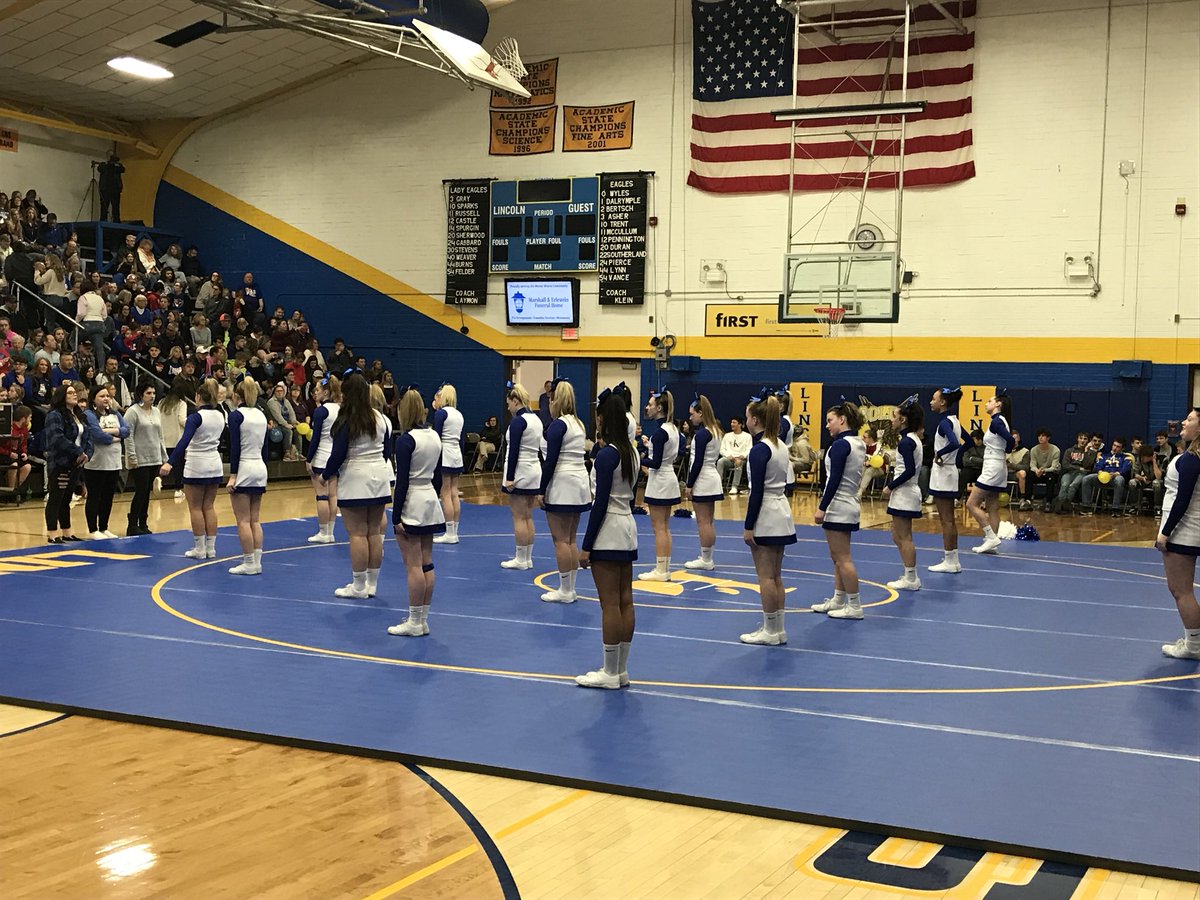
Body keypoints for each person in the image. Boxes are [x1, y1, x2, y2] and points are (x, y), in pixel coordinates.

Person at [576, 387, 638, 689]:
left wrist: (586, 546)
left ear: (603, 419)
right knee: (626, 600)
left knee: (609, 604)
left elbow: (599, 504)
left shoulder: (606, 456)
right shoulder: (633, 452)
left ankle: (610, 672)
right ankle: (621, 669)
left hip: (609, 531)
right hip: (627, 527)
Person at [319, 373, 393, 599]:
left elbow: (338, 453)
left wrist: (326, 474)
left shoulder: (347, 419)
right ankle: (372, 583)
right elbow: (387, 450)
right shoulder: (381, 418)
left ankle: (358, 585)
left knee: (357, 534)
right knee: (373, 533)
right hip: (379, 477)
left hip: (355, 477)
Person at [386, 386, 446, 636]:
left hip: (413, 500)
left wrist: (395, 514)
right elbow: (439, 477)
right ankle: (423, 618)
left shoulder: (406, 440)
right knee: (426, 563)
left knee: (413, 565)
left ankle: (413, 621)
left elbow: (402, 482)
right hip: (430, 499)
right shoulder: (434, 436)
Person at [739, 391, 797, 645]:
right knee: (776, 576)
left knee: (765, 577)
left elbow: (757, 491)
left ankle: (770, 630)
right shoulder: (781, 445)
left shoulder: (760, 449)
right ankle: (778, 628)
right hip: (781, 510)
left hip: (767, 513)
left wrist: (749, 525)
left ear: (754, 421)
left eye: (747, 418)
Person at [811, 399, 867, 619]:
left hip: (839, 504)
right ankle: (838, 598)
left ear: (842, 420)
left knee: (843, 558)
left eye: (829, 421)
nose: (826, 425)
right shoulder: (857, 442)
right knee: (838, 557)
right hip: (848, 502)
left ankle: (854, 605)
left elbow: (834, 479)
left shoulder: (841, 445)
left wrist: (822, 507)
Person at [537, 378, 591, 603]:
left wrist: (541, 489)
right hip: (578, 482)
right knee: (570, 539)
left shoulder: (559, 424)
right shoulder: (579, 424)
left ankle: (565, 589)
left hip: (562, 483)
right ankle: (570, 588)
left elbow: (551, 461)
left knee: (560, 540)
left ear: (555, 400)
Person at [160, 379, 226, 559]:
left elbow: (184, 441)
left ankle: (199, 548)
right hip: (214, 463)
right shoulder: (221, 415)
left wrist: (170, 462)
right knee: (209, 507)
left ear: (197, 397)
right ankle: (211, 548)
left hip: (197, 463)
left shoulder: (195, 417)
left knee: (195, 508)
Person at [1156, 407, 1200, 660]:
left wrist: (1166, 532)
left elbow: (1182, 500)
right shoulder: (1190, 456)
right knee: (1183, 590)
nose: (1184, 422)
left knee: (1181, 590)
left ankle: (1193, 646)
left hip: (1183, 531)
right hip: (1189, 527)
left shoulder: (1192, 459)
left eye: (1190, 419)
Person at [881, 395, 924, 591]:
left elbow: (909, 471)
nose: (891, 420)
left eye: (894, 416)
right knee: (896, 536)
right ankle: (909, 572)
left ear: (903, 419)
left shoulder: (907, 442)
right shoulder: (911, 439)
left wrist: (890, 486)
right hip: (904, 493)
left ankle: (911, 577)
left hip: (905, 492)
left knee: (904, 537)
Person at [226, 379, 269, 575]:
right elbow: (266, 447)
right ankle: (257, 561)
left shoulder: (236, 416)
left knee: (243, 520)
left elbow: (235, 447)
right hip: (259, 465)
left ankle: (249, 562)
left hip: (244, 465)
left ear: (237, 396)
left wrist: (233, 475)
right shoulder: (261, 414)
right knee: (255, 519)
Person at [41, 383, 93, 542]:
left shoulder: (79, 415)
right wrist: (77, 451)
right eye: (70, 393)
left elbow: (88, 436)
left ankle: (67, 531)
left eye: (74, 392)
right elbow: (57, 438)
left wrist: (87, 454)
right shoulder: (55, 415)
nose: (74, 395)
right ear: (62, 396)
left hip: (76, 463)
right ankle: (51, 532)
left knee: (67, 498)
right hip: (60, 462)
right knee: (56, 497)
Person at [638, 387, 681, 582]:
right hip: (668, 476)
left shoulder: (660, 433)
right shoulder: (672, 429)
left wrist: (638, 460)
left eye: (651, 405)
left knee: (659, 528)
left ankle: (661, 570)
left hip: (660, 479)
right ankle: (664, 567)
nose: (647, 408)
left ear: (660, 408)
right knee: (665, 527)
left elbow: (655, 462)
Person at [500, 381, 543, 570]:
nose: (507, 406)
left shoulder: (518, 421)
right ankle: (528, 557)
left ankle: (520, 558)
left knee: (518, 516)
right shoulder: (536, 419)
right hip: (534, 470)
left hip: (520, 471)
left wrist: (509, 477)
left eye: (508, 402)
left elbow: (514, 450)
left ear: (515, 401)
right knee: (528, 516)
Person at [927, 387, 970, 573]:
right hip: (951, 471)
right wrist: (954, 456)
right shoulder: (956, 421)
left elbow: (954, 443)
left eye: (934, 399)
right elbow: (967, 442)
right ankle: (954, 559)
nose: (931, 402)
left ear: (942, 402)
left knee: (946, 520)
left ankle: (949, 560)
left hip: (943, 472)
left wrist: (940, 454)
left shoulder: (945, 422)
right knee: (949, 519)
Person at [965, 392, 1014, 554]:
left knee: (971, 504)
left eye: (989, 401)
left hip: (992, 467)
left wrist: (1007, 447)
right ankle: (991, 541)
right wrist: (1005, 450)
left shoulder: (996, 422)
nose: (986, 404)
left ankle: (990, 536)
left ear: (998, 405)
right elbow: (1008, 442)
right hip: (998, 465)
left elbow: (1011, 440)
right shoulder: (1002, 421)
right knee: (992, 506)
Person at [82, 384, 129, 540]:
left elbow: (126, 431)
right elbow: (96, 435)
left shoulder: (115, 414)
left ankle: (104, 527)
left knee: (108, 496)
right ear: (94, 399)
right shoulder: (89, 414)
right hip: (96, 463)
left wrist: (111, 433)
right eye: (102, 396)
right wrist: (115, 438)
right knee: (95, 495)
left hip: (114, 462)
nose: (106, 399)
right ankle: (92, 528)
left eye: (108, 396)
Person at [684, 394, 724, 571]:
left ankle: (706, 559)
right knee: (708, 521)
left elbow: (697, 461)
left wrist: (689, 484)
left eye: (692, 414)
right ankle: (707, 556)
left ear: (701, 413)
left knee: (703, 522)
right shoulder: (716, 431)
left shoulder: (702, 434)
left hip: (703, 479)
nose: (690, 418)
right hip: (712, 477)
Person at [124, 381, 165, 535]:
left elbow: (160, 436)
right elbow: (128, 436)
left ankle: (144, 522)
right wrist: (132, 456)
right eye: (148, 393)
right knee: (140, 491)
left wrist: (164, 456)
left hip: (154, 457)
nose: (152, 396)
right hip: (139, 458)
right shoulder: (132, 412)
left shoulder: (156, 411)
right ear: (141, 394)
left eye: (153, 393)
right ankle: (132, 523)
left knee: (147, 491)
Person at [305, 374, 341, 544]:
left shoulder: (321, 411)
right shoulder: (340, 409)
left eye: (317, 390)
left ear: (326, 391)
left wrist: (308, 458)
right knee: (333, 495)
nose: (315, 393)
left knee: (321, 495)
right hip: (335, 456)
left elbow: (316, 438)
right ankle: (331, 532)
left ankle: (323, 531)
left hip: (321, 456)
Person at [431, 383, 466, 545]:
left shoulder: (441, 414)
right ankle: (454, 531)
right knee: (453, 492)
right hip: (456, 453)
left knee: (445, 493)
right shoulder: (459, 414)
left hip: (445, 452)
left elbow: (436, 437)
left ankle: (449, 532)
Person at [159, 375, 192, 498]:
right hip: (177, 439)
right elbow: (182, 420)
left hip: (163, 439)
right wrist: (193, 422)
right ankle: (178, 489)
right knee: (178, 466)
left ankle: (159, 481)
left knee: (164, 463)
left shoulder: (161, 402)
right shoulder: (181, 403)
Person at [1080, 437, 1132, 516]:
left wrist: (1116, 474)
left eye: (1118, 447)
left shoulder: (1126, 457)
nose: (1115, 448)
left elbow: (1126, 469)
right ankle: (1086, 507)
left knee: (1120, 480)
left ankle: (1115, 509)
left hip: (1115, 477)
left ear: (1122, 448)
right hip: (1102, 476)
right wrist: (1100, 472)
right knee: (1086, 479)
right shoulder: (1104, 455)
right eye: (1114, 445)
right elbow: (1098, 466)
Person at [1051, 431, 1094, 513]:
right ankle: (1060, 506)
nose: (1082, 441)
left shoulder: (1090, 453)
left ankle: (1065, 506)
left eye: (1085, 439)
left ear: (1088, 441)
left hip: (1082, 474)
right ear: (1077, 439)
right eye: (1081, 438)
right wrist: (1078, 468)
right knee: (1064, 485)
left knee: (1073, 486)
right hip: (1069, 473)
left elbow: (1086, 465)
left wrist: (1085, 451)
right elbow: (1065, 465)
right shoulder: (1069, 451)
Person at [0, 404, 32, 498]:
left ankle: (14, 490)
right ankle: (10, 492)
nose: (30, 420)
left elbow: (24, 444)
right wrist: (9, 453)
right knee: (14, 465)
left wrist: (24, 453)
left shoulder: (25, 429)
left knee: (27, 467)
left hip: (16, 456)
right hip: (5, 455)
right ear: (23, 418)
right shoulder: (8, 428)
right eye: (29, 417)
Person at [1025, 428, 1061, 511]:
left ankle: (1048, 502)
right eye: (1039, 436)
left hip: (1049, 472)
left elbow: (1054, 467)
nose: (1040, 438)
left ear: (1048, 438)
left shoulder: (1055, 450)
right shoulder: (1034, 449)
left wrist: (1043, 470)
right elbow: (1032, 465)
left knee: (1050, 477)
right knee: (1029, 474)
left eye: (1043, 436)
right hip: (1038, 472)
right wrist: (1036, 470)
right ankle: (1028, 500)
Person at [716, 415, 752, 495]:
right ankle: (718, 486)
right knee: (720, 462)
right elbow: (722, 449)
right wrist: (728, 455)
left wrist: (743, 456)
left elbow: (749, 449)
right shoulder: (727, 435)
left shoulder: (747, 436)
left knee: (738, 463)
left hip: (741, 459)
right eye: (731, 422)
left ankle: (734, 486)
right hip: (729, 458)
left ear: (740, 425)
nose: (732, 424)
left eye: (734, 422)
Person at [97, 152, 125, 222]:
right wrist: (109, 164)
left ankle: (116, 220)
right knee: (104, 206)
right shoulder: (104, 165)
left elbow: (123, 169)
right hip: (105, 189)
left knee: (115, 207)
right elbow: (99, 168)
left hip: (115, 189)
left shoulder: (117, 166)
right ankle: (104, 220)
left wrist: (115, 165)